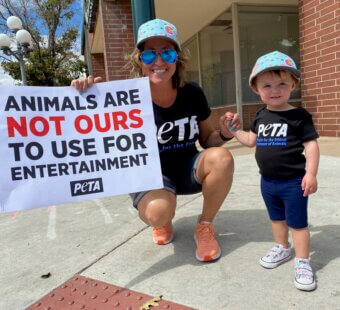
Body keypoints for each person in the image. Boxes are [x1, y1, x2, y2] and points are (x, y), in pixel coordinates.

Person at [71, 18, 239, 262]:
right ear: (139, 60)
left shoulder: (192, 93)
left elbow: (208, 141)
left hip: (186, 169)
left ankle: (204, 225)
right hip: (148, 174)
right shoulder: (121, 98)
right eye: (150, 55)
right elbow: (88, 136)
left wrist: (224, 133)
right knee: (158, 213)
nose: (159, 61)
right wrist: (80, 97)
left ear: (177, 59)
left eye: (167, 54)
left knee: (222, 158)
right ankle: (163, 217)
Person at [226, 51, 320, 291]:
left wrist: (311, 173)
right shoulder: (260, 115)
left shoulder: (299, 116)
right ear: (256, 89)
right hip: (267, 181)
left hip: (293, 182)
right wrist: (234, 130)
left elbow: (311, 145)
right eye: (267, 85)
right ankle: (282, 247)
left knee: (298, 224)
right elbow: (250, 140)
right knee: (277, 219)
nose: (275, 90)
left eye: (282, 84)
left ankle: (303, 261)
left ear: (293, 85)